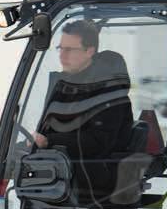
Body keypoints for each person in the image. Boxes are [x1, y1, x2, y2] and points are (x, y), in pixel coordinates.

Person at [33, 20, 134, 199]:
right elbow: (47, 130)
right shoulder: (65, 86)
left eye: (70, 50)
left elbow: (98, 143)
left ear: (89, 51)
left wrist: (48, 141)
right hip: (59, 178)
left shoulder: (110, 92)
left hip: (92, 187)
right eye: (60, 48)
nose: (62, 55)